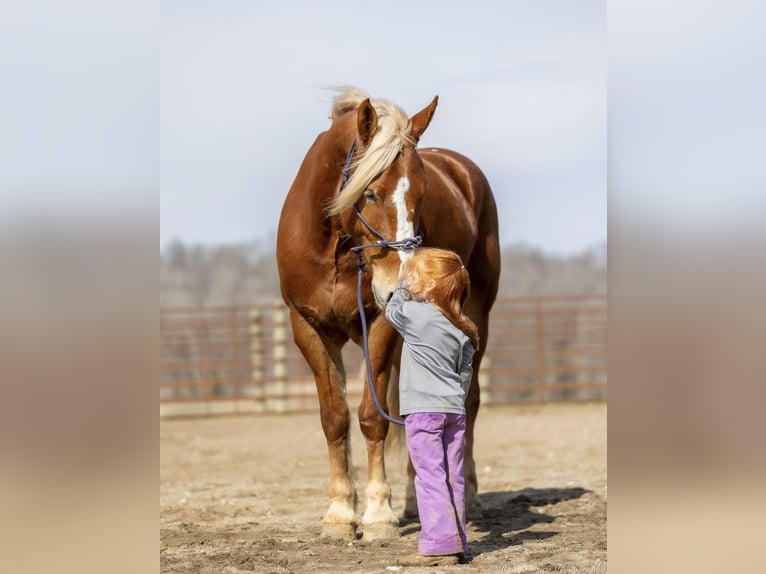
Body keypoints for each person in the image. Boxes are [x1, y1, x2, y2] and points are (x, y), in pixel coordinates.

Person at [384, 247, 478, 567]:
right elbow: (465, 375)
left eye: (416, 277)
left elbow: (391, 312)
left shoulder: (414, 313)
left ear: (428, 286)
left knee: (429, 476)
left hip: (424, 411)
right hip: (454, 411)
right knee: (453, 475)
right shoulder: (462, 328)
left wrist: (400, 287)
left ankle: (440, 544)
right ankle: (458, 540)